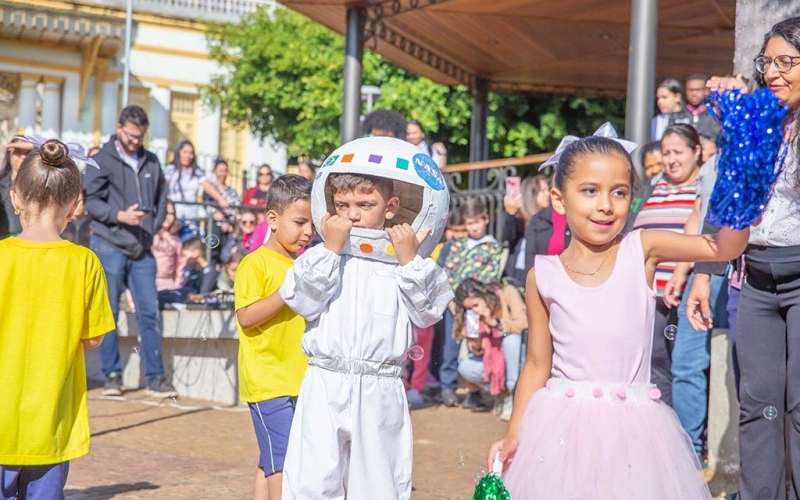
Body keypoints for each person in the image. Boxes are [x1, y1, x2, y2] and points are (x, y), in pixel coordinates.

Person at [486, 133, 749, 500]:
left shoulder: (642, 248)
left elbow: (724, 247)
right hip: (560, 434)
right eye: (590, 191)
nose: (606, 205)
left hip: (635, 437)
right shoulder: (541, 275)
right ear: (559, 199)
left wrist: (746, 183)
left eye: (619, 192)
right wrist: (515, 431)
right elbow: (536, 364)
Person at [278, 137, 452, 500]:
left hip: (380, 386)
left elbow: (429, 313)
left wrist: (410, 260)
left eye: (365, 204)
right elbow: (301, 301)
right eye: (342, 205)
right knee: (313, 481)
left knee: (378, 484)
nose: (352, 215)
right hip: (325, 380)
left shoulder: (406, 262)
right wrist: (330, 250)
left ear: (391, 207)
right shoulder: (322, 256)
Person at [697, 17, 800, 500]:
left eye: (787, 62)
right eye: (767, 62)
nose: (773, 73)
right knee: (757, 404)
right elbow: (727, 200)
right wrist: (705, 272)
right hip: (755, 276)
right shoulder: (759, 120)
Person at [0, 139, 115, 499]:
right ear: (77, 203)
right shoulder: (85, 263)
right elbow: (93, 338)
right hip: (53, 423)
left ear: (15, 198)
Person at [82, 105, 177, 398]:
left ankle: (156, 377)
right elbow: (90, 200)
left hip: (142, 250)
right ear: (119, 128)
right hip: (108, 244)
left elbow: (162, 199)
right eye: (132, 136)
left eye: (140, 137)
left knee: (150, 313)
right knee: (108, 313)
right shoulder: (101, 160)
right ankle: (112, 375)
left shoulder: (151, 161)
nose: (136, 141)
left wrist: (154, 225)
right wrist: (119, 215)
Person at [234, 174, 314, 500]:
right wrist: (286, 291)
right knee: (284, 462)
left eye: (312, 224)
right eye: (300, 222)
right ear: (273, 219)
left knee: (270, 458)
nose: (308, 231)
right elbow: (246, 317)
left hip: (298, 377)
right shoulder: (254, 264)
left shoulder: (303, 264)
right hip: (267, 380)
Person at [631, 124, 703, 407]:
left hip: (687, 293)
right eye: (666, 152)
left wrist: (681, 270)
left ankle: (683, 431)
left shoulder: (705, 187)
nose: (671, 159)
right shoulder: (650, 188)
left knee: (685, 369)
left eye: (678, 152)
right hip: (648, 294)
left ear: (696, 151)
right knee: (654, 368)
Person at [440, 198, 504, 407]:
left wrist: (477, 302)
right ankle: (447, 386)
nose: (474, 227)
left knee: (475, 344)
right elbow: (448, 272)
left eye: (477, 222)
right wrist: (451, 299)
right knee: (451, 345)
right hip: (455, 306)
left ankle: (474, 392)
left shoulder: (492, 247)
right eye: (469, 223)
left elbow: (490, 276)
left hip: (477, 306)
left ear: (486, 219)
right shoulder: (457, 245)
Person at [453, 278, 527, 421]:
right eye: (469, 309)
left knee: (511, 341)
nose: (474, 310)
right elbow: (480, 352)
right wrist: (475, 341)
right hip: (495, 363)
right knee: (465, 367)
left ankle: (514, 395)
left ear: (484, 295)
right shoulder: (473, 318)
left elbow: (525, 324)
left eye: (476, 305)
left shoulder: (507, 293)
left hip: (518, 357)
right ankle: (501, 393)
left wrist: (496, 323)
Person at [164, 141, 230, 241]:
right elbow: (163, 188)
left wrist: (221, 199)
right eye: (185, 152)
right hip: (173, 217)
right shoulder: (170, 170)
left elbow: (208, 187)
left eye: (191, 153)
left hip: (191, 218)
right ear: (179, 153)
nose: (188, 156)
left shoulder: (197, 171)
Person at [501, 175, 550, 288]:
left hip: (537, 276)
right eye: (543, 191)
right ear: (531, 194)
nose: (548, 194)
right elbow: (506, 236)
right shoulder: (519, 220)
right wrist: (510, 214)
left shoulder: (549, 221)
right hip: (515, 274)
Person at [0, 138, 33, 238]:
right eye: (18, 152)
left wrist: (32, 146)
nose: (23, 157)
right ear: (9, 156)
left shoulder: (37, 185)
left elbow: (51, 151)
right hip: (5, 238)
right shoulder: (2, 185)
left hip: (31, 238)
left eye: (27, 153)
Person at [152, 201, 183, 291]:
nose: (168, 217)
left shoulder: (176, 240)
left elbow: (179, 266)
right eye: (165, 213)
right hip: (149, 280)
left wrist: (177, 286)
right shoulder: (149, 236)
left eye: (171, 214)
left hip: (168, 283)